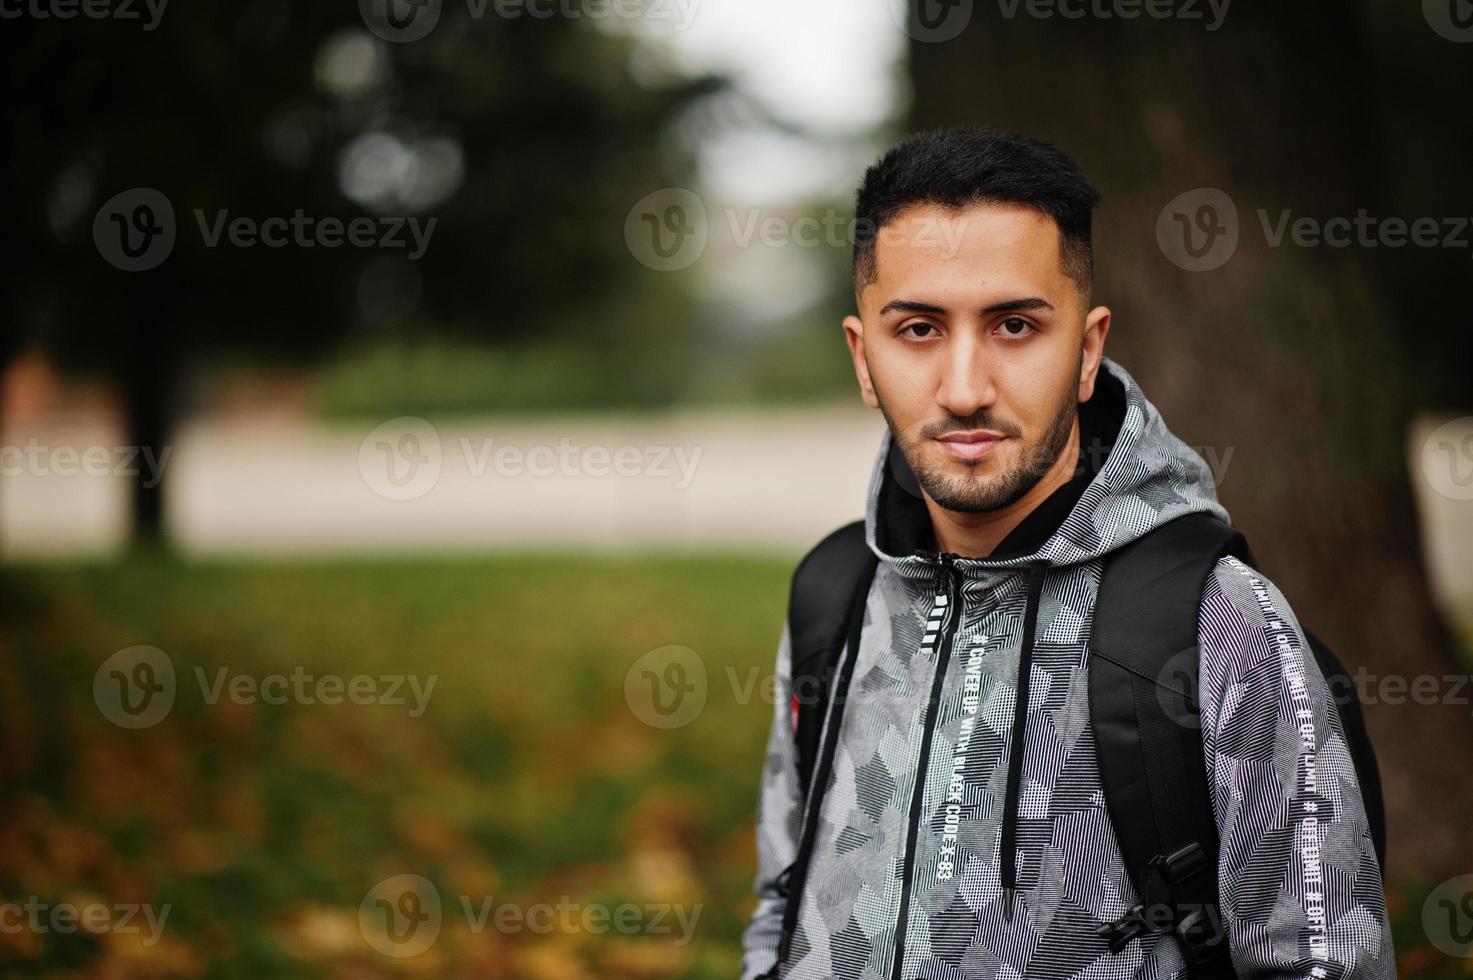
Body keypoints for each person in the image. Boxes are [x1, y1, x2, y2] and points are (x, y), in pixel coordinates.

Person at [739, 127, 1393, 980]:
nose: (965, 387)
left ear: (1086, 351)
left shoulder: (1214, 618)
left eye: (1014, 325)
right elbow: (779, 910)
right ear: (864, 358)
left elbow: (1326, 963)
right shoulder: (834, 593)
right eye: (918, 330)